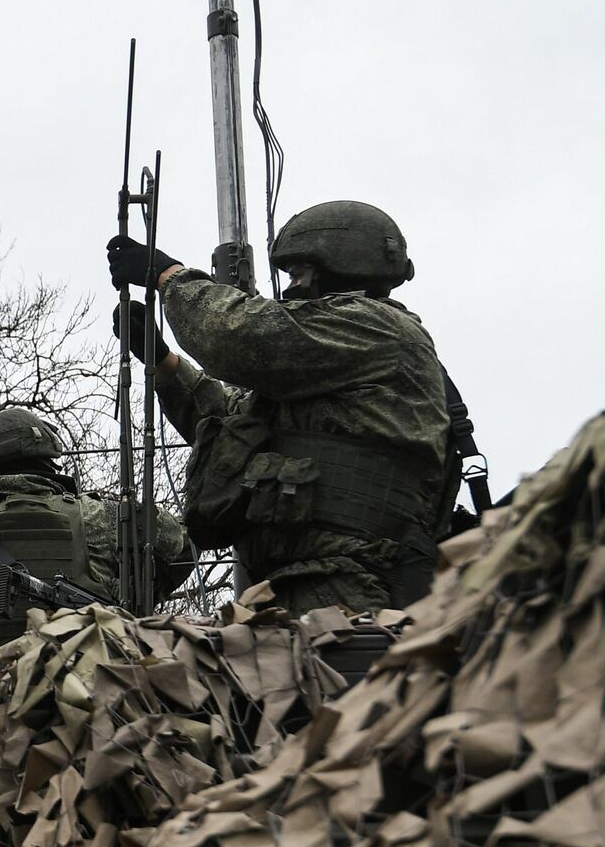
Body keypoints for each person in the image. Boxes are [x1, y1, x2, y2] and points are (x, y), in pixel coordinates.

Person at [105, 200, 452, 616]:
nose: (290, 288)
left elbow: (236, 335)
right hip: (295, 586)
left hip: (356, 586)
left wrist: (169, 276)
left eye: (300, 274)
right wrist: (165, 365)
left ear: (342, 264)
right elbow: (237, 426)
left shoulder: (377, 328)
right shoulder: (323, 371)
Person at [0, 406, 195, 709]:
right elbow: (183, 545)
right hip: (86, 720)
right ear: (46, 452)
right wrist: (131, 600)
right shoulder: (99, 517)